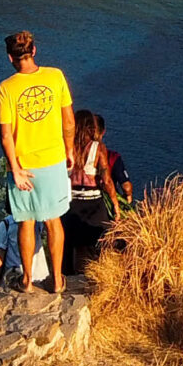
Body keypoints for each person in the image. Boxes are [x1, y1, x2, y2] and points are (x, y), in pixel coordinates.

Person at [0, 29, 75, 295]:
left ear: (10, 58)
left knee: (26, 223)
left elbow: (5, 135)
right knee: (54, 221)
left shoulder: (6, 88)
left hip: (24, 164)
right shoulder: (55, 76)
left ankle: (27, 280)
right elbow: (69, 122)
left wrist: (15, 170)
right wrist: (70, 151)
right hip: (53, 158)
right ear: (34, 51)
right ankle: (58, 280)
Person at [64, 109, 135, 272]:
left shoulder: (66, 147)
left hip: (69, 203)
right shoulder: (98, 148)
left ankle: (66, 279)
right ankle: (92, 278)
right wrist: (116, 204)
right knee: (97, 244)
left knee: (69, 246)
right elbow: (107, 180)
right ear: (91, 127)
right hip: (93, 204)